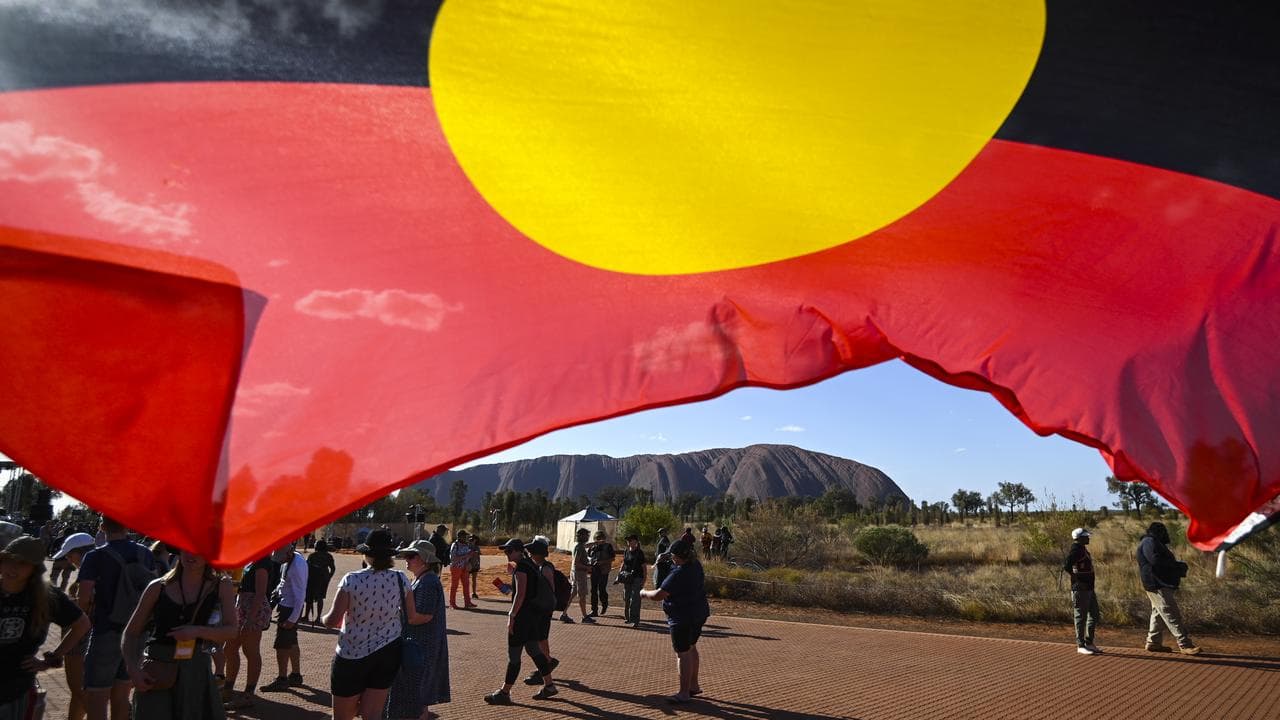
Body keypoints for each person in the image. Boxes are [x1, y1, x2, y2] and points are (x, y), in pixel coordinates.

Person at [122, 549, 238, 720]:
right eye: (187, 549)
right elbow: (130, 633)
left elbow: (232, 631)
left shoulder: (221, 585)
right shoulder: (157, 587)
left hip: (196, 670)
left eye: (198, 549)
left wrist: (197, 631)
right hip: (158, 670)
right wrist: (133, 669)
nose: (192, 555)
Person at [324, 529, 426, 720]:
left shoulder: (351, 580)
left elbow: (332, 621)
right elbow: (411, 615)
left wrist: (322, 618)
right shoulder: (400, 579)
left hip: (352, 653)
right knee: (373, 714)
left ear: (367, 554)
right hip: (387, 652)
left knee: (342, 716)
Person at [0, 535, 91, 720]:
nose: (12, 568)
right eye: (8, 561)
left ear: (33, 569)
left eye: (22, 563)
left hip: (16, 687)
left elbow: (82, 624)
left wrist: (52, 657)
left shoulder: (45, 596)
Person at [76, 516, 157, 720]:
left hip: (106, 628)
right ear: (127, 525)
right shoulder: (145, 553)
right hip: (137, 631)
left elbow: (84, 596)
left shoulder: (95, 556)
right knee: (122, 695)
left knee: (97, 694)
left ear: (102, 527)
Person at [483, 538, 558, 704]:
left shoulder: (522, 568)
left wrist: (512, 615)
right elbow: (521, 592)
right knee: (534, 651)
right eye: (505, 551)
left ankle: (504, 692)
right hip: (532, 617)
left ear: (519, 551)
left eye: (510, 551)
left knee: (514, 656)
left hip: (522, 618)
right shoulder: (529, 565)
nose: (507, 554)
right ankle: (549, 685)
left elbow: (520, 594)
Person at [385, 540, 450, 720]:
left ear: (425, 559)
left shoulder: (427, 582)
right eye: (406, 555)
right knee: (419, 698)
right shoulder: (423, 579)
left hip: (422, 647)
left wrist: (397, 614)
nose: (406, 559)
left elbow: (422, 616)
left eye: (411, 556)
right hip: (420, 646)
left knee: (417, 696)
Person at [641, 539, 709, 704]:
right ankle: (694, 685)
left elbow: (659, 595)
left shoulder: (678, 573)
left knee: (682, 653)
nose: (671, 558)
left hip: (682, 617)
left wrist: (644, 593)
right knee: (691, 647)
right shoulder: (696, 565)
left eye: (673, 556)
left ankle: (684, 693)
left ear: (679, 556)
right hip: (699, 613)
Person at [53, 532, 98, 720]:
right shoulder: (102, 570)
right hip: (92, 637)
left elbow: (83, 610)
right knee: (80, 691)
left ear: (80, 553)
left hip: (81, 639)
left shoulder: (89, 576)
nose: (69, 559)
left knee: (78, 688)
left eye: (71, 555)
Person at [1137, 522, 1200, 655]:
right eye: (1162, 531)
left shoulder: (1152, 541)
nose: (1165, 533)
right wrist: (1176, 566)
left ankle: (1153, 643)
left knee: (1158, 613)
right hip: (1156, 584)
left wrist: (1176, 566)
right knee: (1171, 613)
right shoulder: (1149, 541)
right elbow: (1155, 561)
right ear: (1157, 532)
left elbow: (1158, 561)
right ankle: (1185, 644)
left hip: (1157, 583)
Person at [223, 553, 273, 709]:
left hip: (253, 609)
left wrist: (251, 619)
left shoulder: (263, 561)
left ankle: (248, 694)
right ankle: (228, 688)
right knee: (229, 648)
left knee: (250, 650)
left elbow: (260, 592)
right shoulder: (250, 560)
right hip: (242, 606)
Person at [261, 543, 308, 690]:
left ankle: (282, 678)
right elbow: (283, 583)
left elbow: (300, 595)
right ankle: (295, 675)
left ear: (288, 553)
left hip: (290, 608)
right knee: (292, 641)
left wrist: (292, 619)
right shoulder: (291, 559)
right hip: (286, 605)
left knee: (281, 645)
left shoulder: (296, 567)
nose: (279, 561)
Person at [519, 538, 559, 688]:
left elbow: (550, 589)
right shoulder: (537, 566)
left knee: (540, 638)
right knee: (541, 638)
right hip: (539, 608)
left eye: (531, 551)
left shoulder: (546, 568)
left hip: (543, 609)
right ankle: (547, 661)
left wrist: (546, 607)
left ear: (538, 553)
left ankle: (546, 664)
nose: (529, 554)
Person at [1063, 527, 1100, 655]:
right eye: (1086, 536)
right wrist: (1077, 580)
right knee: (1081, 617)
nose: (1088, 538)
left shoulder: (1082, 549)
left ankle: (1089, 642)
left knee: (1094, 615)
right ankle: (1081, 645)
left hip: (1089, 588)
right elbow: (1067, 565)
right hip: (1081, 589)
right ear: (1079, 538)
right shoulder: (1076, 550)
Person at [560, 527, 591, 624]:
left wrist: (597, 543)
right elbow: (576, 563)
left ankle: (564, 614)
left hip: (575, 573)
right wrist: (587, 568)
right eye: (586, 535)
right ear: (582, 536)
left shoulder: (577, 545)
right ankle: (585, 616)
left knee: (572, 594)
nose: (587, 537)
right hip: (579, 574)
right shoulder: (580, 547)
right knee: (582, 595)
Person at [619, 534, 648, 627]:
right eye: (628, 540)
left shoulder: (639, 553)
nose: (628, 541)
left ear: (635, 542)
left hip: (637, 578)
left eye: (630, 540)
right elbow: (624, 563)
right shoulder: (626, 551)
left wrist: (644, 579)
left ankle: (635, 620)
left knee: (635, 599)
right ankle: (628, 618)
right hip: (627, 578)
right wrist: (620, 574)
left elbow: (644, 567)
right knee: (626, 598)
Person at [304, 540, 337, 625]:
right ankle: (318, 617)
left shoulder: (312, 555)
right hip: (323, 578)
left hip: (312, 577)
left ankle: (306, 615)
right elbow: (333, 568)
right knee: (320, 598)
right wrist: (329, 577)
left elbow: (306, 566)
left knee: (309, 597)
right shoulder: (328, 556)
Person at [586, 530, 616, 618]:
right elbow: (588, 556)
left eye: (601, 538)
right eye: (597, 538)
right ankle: (594, 610)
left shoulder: (608, 546)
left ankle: (604, 604)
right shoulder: (592, 547)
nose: (599, 540)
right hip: (594, 570)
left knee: (602, 589)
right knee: (593, 590)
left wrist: (602, 562)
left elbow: (612, 558)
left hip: (604, 571)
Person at [447, 531, 477, 610]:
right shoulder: (455, 545)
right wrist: (466, 556)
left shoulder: (466, 545)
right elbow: (453, 558)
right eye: (464, 536)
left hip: (465, 568)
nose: (466, 538)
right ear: (459, 536)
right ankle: (452, 603)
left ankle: (467, 602)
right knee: (454, 586)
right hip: (456, 568)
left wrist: (470, 557)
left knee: (466, 585)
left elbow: (467, 556)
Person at [467, 534, 482, 600]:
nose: (471, 540)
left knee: (474, 579)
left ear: (476, 540)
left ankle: (474, 593)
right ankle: (466, 593)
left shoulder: (477, 547)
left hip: (475, 565)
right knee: (466, 580)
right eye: (470, 539)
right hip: (468, 565)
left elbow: (478, 556)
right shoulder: (467, 546)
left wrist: (478, 565)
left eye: (473, 539)